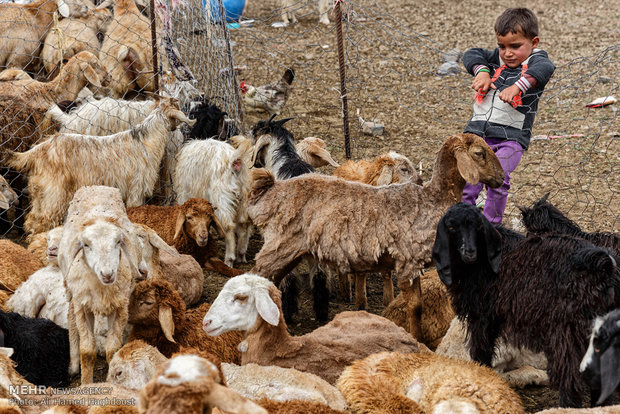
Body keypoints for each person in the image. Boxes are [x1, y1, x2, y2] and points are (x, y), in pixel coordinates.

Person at [461, 7, 555, 224]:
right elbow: (471, 53)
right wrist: (482, 72)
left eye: (515, 46)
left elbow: (545, 68)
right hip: (477, 135)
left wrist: (517, 87)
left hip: (510, 139)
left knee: (497, 178)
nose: (507, 53)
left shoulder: (536, 61)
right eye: (502, 46)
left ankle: (492, 227)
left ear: (534, 42)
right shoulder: (496, 59)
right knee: (470, 179)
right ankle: (465, 222)